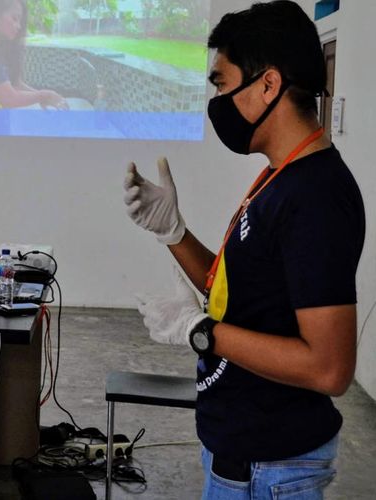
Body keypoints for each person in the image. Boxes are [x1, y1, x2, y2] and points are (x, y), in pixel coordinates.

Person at [122, 2, 365, 498]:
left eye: (221, 82)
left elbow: (329, 367)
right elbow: (243, 294)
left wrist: (203, 333)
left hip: (270, 468)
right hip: (244, 453)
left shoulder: (316, 196)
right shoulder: (284, 177)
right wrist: (174, 234)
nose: (216, 100)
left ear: (268, 85)